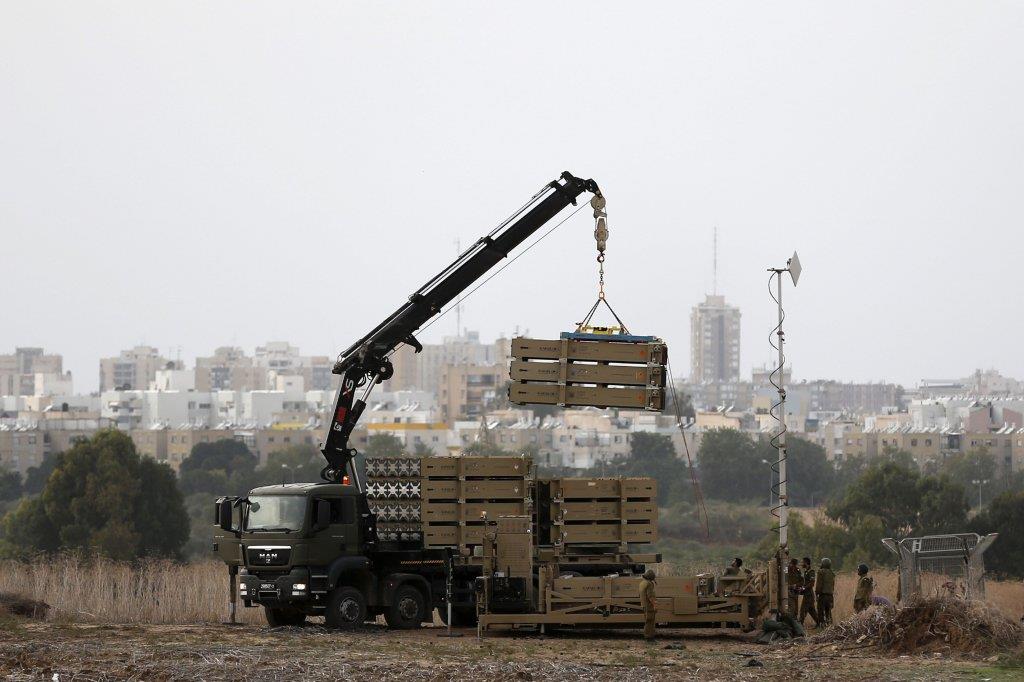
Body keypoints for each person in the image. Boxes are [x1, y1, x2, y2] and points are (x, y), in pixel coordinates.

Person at [798, 557, 820, 628]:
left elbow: (812, 583)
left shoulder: (811, 572)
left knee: (803, 610)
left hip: (809, 595)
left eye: (803, 562)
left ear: (806, 563)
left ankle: (800, 625)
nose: (801, 564)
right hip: (807, 594)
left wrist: (804, 588)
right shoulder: (806, 571)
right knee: (811, 611)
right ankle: (820, 623)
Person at [814, 557, 835, 626]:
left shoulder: (821, 572)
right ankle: (830, 625)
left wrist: (817, 593)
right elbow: (833, 585)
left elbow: (819, 584)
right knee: (828, 611)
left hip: (823, 595)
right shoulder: (832, 573)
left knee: (820, 610)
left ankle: (822, 625)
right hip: (830, 595)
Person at [639, 569, 657, 641]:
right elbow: (650, 596)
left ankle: (648, 636)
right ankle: (649, 638)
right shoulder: (649, 584)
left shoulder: (642, 583)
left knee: (647, 621)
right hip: (649, 606)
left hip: (644, 605)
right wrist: (655, 605)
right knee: (650, 622)